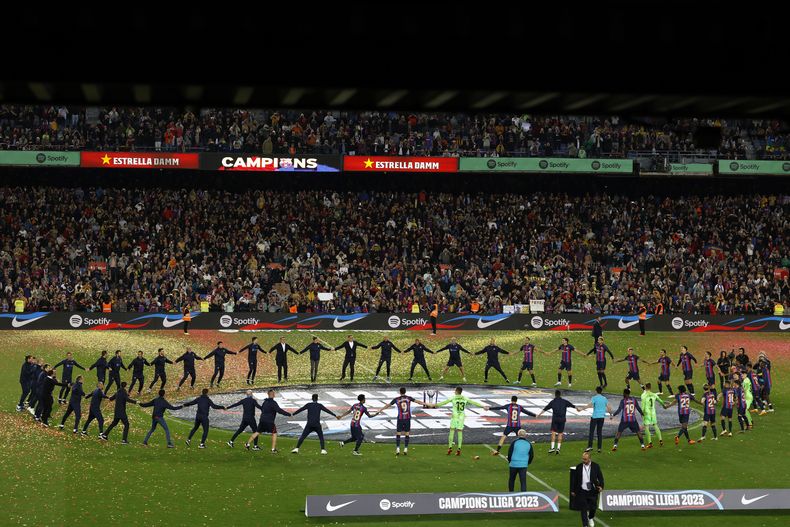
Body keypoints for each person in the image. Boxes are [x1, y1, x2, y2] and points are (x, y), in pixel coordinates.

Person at [430, 386, 489, 456]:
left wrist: (435, 405)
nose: (454, 391)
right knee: (460, 432)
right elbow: (474, 403)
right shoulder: (465, 398)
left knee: (452, 431)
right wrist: (483, 406)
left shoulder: (453, 397)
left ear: (456, 391)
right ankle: (459, 449)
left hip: (454, 416)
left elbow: (444, 402)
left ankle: (450, 448)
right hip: (461, 417)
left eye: (455, 390)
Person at [373, 386, 429, 456]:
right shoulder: (409, 398)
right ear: (405, 392)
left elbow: (388, 405)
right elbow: (418, 402)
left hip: (400, 418)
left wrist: (381, 409)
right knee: (407, 433)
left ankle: (398, 448)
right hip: (407, 418)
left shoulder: (396, 399)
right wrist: (426, 404)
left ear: (400, 392)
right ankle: (405, 448)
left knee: (398, 433)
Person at [536, 390, 576, 454]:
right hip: (562, 419)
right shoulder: (564, 401)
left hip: (555, 419)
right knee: (560, 433)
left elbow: (545, 408)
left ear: (555, 395)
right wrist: (578, 408)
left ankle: (552, 448)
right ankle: (558, 449)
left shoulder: (553, 402)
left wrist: (539, 414)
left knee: (553, 433)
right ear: (560, 395)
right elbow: (572, 405)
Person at [571, 452, 604, 527]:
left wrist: (601, 486)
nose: (583, 460)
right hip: (582, 491)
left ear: (589, 459)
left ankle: (591, 517)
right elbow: (575, 479)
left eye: (585, 459)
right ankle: (585, 525)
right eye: (583, 459)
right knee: (583, 509)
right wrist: (573, 490)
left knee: (593, 508)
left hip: (593, 491)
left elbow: (600, 478)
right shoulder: (579, 467)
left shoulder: (596, 466)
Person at [582, 386, 612, 453]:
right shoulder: (604, 398)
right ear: (601, 391)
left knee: (591, 432)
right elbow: (609, 407)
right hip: (601, 417)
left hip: (595, 417)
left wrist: (582, 408)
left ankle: (590, 446)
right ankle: (599, 448)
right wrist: (611, 414)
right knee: (599, 432)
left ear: (596, 391)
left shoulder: (594, 398)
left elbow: (589, 405)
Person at [639, 383, 664, 448]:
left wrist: (642, 413)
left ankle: (650, 443)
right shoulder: (654, 395)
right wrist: (664, 406)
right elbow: (661, 401)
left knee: (646, 427)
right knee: (655, 425)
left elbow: (643, 405)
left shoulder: (643, 395)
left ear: (645, 387)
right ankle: (660, 440)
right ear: (650, 387)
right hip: (653, 413)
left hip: (646, 413)